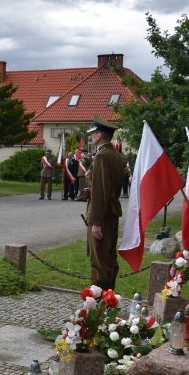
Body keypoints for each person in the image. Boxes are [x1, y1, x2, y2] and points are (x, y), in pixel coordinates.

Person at [85, 117, 125, 291]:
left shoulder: (102, 156)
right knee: (109, 258)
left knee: (100, 260)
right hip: (112, 212)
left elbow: (100, 191)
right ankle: (109, 301)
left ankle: (101, 307)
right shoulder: (116, 155)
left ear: (99, 135)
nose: (92, 137)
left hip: (103, 214)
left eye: (93, 134)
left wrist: (95, 222)